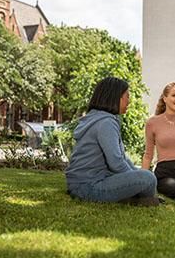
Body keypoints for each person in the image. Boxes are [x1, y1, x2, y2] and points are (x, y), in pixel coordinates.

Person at [66, 77, 158, 206]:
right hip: (89, 187)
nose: (129, 101)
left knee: (143, 174)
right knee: (149, 179)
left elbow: (123, 159)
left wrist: (135, 174)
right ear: (116, 97)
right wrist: (138, 180)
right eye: (127, 96)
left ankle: (134, 198)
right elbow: (116, 163)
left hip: (82, 184)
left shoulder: (98, 117)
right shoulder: (106, 123)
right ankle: (142, 199)